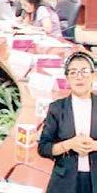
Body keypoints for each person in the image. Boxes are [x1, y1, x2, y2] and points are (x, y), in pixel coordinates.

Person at [38, 51, 97, 193]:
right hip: (64, 183)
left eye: (84, 72)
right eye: (73, 72)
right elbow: (44, 148)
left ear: (93, 75)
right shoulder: (57, 108)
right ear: (67, 78)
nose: (79, 77)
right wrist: (69, 144)